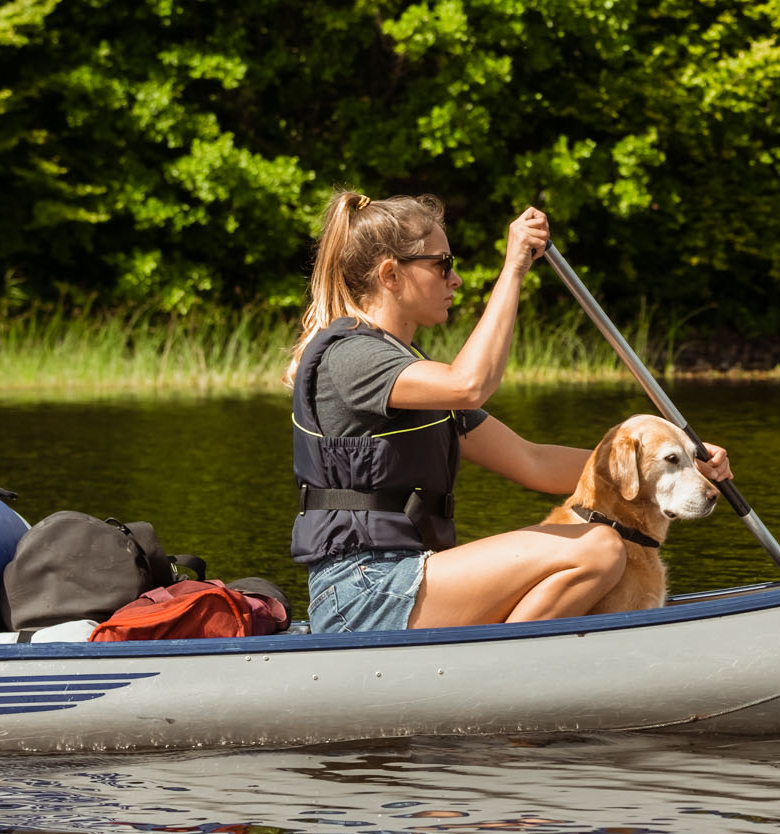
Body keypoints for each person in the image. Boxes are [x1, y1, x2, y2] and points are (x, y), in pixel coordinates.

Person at [287, 192, 732, 635]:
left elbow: (532, 461)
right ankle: (503, 666)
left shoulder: (409, 373)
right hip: (362, 591)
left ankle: (511, 655)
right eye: (443, 263)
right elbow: (470, 385)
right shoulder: (351, 357)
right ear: (390, 274)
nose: (456, 279)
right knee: (600, 547)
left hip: (406, 579)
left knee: (601, 548)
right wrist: (514, 268)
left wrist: (664, 461)